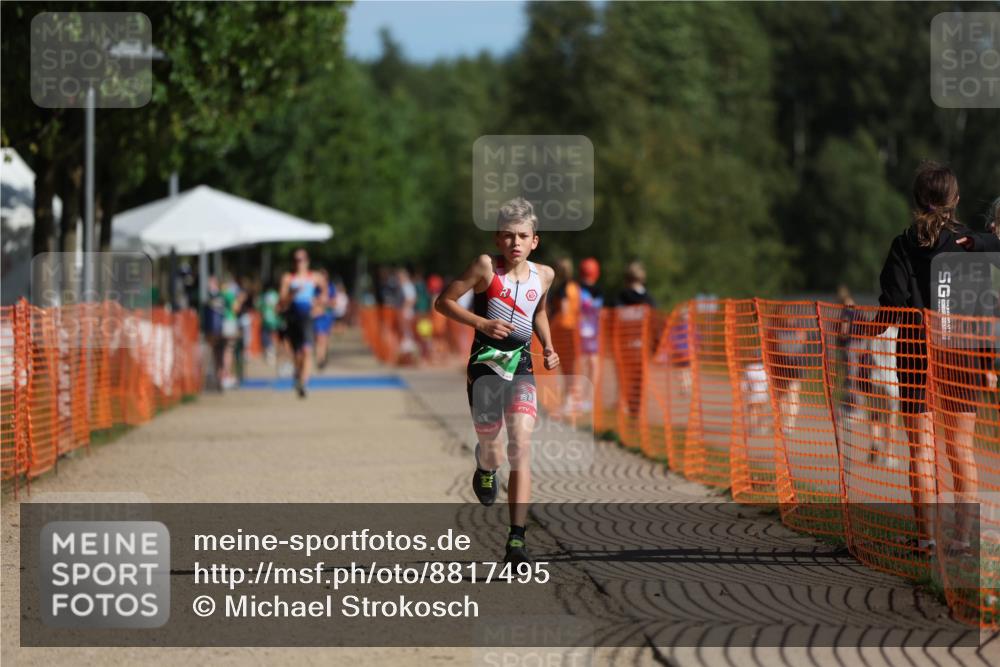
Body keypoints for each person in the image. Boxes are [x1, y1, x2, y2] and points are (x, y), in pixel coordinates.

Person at [859, 162, 1000, 557]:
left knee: (919, 449)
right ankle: (963, 538)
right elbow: (985, 308)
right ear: (955, 200)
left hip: (916, 354)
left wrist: (864, 330)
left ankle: (925, 538)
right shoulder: (972, 244)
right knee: (961, 449)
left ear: (917, 200)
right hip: (964, 354)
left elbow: (892, 310)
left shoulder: (904, 246)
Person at [435, 196, 559, 565]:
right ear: (497, 239)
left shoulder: (545, 275)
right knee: (494, 446)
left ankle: (516, 540)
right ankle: (485, 465)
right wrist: (482, 324)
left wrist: (549, 346)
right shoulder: (486, 268)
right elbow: (444, 302)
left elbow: (539, 312)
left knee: (521, 443)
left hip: (521, 366)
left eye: (522, 236)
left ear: (534, 240)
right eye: (508, 236)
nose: (515, 243)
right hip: (485, 366)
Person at [279, 248, 328, 398]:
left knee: (307, 350)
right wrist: (292, 293)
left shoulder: (315, 277)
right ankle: (298, 373)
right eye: (296, 259)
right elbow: (282, 300)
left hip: (307, 316)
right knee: (297, 353)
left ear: (307, 261)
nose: (298, 262)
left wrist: (318, 302)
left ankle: (304, 382)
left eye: (301, 259)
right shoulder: (288, 278)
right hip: (293, 316)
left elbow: (325, 294)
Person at [575, 258, 603, 412]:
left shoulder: (578, 289)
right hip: (586, 332)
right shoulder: (580, 290)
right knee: (590, 364)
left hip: (589, 332)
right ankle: (583, 398)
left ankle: (585, 398)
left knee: (585, 364)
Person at [313, 268, 335, 370]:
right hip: (317, 315)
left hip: (327, 315)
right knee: (318, 337)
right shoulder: (314, 288)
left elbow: (333, 303)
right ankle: (319, 359)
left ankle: (323, 356)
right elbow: (311, 301)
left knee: (324, 338)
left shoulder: (331, 287)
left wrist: (325, 304)